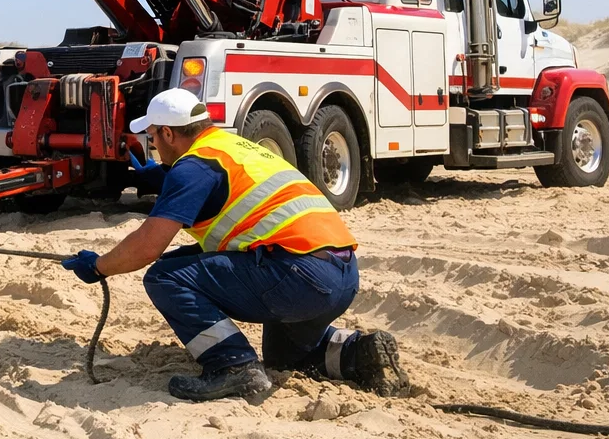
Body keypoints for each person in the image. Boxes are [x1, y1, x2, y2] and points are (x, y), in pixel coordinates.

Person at [61, 88, 407, 401]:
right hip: (340, 274)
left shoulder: (193, 167)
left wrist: (98, 266)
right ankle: (358, 353)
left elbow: (148, 246)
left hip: (300, 277)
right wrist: (164, 176)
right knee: (285, 358)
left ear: (168, 133)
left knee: (165, 276)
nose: (153, 144)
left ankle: (232, 367)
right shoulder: (234, 147)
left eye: (153, 136)